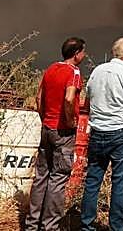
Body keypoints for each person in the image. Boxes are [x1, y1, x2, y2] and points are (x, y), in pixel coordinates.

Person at [80, 37, 123, 231]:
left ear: (113, 53)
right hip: (119, 135)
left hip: (97, 132)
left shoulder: (96, 72)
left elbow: (87, 104)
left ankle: (86, 225)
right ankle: (117, 227)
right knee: (119, 183)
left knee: (93, 180)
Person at [24, 37, 86, 231]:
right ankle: (50, 227)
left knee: (41, 176)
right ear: (76, 54)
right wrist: (69, 122)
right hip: (63, 133)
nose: (85, 55)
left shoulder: (50, 69)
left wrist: (45, 118)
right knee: (58, 179)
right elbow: (69, 98)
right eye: (83, 52)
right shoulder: (74, 72)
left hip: (46, 129)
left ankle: (32, 225)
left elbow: (38, 97)